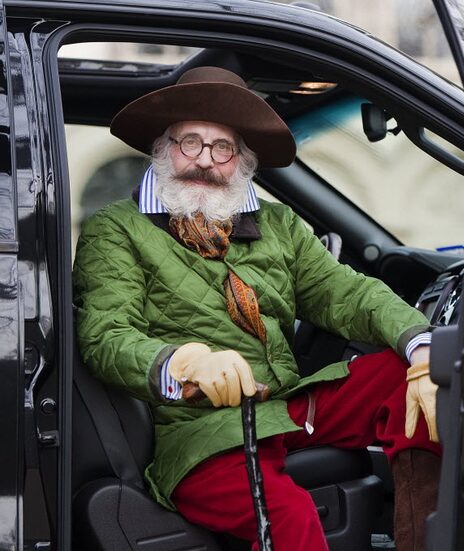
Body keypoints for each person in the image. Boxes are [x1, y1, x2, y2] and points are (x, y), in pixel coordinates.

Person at [73, 66, 441, 551]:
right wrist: (184, 362)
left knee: (416, 383)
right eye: (190, 142)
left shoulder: (278, 224)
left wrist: (421, 345)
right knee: (291, 518)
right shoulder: (117, 228)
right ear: (164, 149)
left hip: (284, 406)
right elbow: (106, 335)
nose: (204, 161)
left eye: (222, 147)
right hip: (199, 432)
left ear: (242, 160)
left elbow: (348, 294)